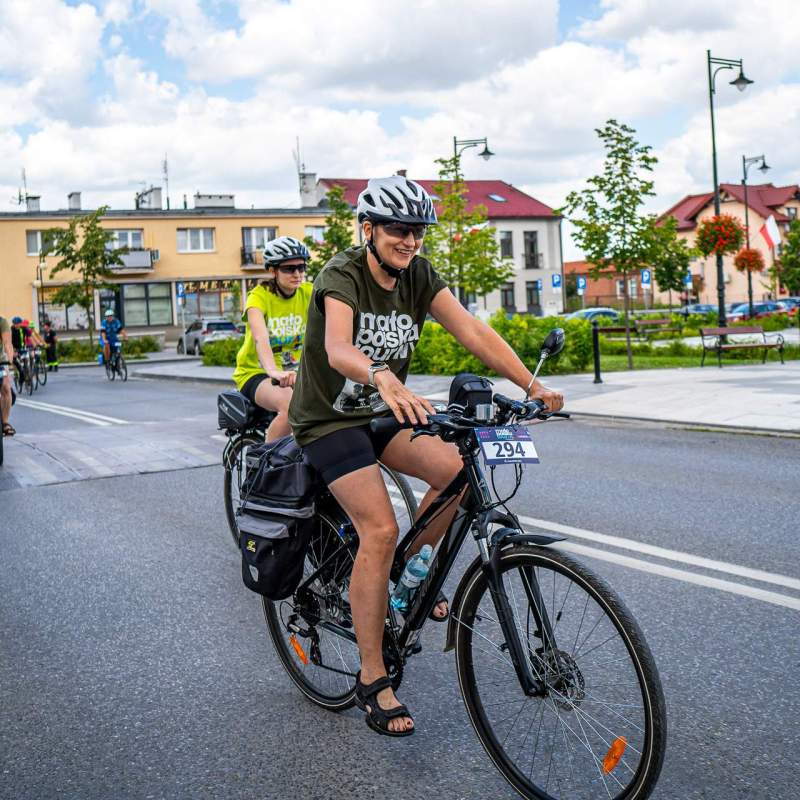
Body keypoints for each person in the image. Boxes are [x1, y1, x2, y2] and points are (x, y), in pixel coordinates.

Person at [288, 176, 564, 736]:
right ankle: (373, 677)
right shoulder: (341, 274)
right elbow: (338, 347)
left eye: (417, 231)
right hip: (328, 419)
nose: (409, 240)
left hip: (383, 412)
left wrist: (529, 384)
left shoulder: (419, 275)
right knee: (379, 529)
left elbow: (471, 330)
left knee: (461, 473)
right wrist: (382, 375)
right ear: (368, 229)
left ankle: (405, 578)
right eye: (397, 230)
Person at [232, 236, 312, 441]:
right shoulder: (258, 297)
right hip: (257, 373)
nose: (297, 274)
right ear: (273, 270)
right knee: (291, 407)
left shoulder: (308, 293)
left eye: (301, 267)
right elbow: (260, 338)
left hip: (295, 373)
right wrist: (273, 371)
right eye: (289, 268)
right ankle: (267, 465)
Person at [1, 315, 15, 437]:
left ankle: (5, 422)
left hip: (0, 362)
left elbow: (7, 343)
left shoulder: (2, 322)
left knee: (6, 387)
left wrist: (9, 360)